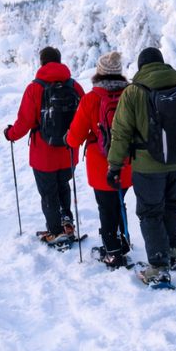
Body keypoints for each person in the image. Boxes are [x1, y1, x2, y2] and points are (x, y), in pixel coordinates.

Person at [106, 47, 176, 287]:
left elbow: (120, 133)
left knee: (150, 212)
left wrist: (114, 165)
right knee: (173, 206)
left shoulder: (133, 92)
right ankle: (172, 251)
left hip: (147, 166)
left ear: (141, 68)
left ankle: (159, 267)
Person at [4, 47, 84, 245]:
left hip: (43, 153)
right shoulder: (75, 86)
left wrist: (10, 134)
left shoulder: (35, 88)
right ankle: (67, 223)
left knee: (48, 192)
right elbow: (83, 117)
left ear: (42, 63)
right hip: (69, 151)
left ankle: (56, 232)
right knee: (63, 185)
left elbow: (25, 121)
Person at [65, 51, 134, 268]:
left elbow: (74, 136)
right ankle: (121, 243)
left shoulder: (91, 99)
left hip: (100, 164)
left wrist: (72, 138)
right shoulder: (131, 94)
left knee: (106, 206)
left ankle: (112, 251)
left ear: (100, 72)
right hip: (127, 162)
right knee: (119, 202)